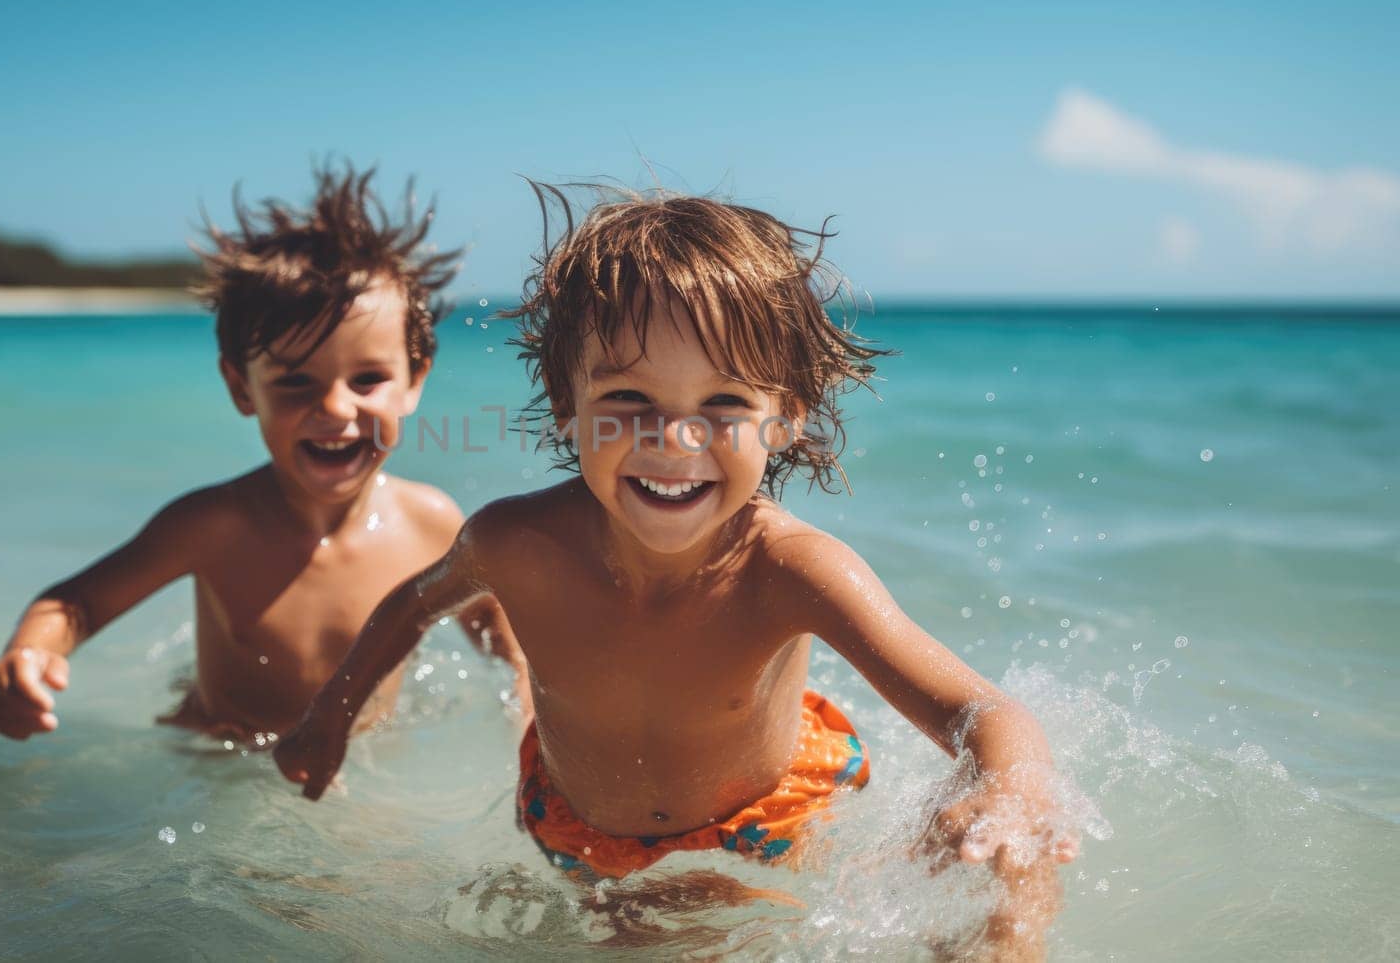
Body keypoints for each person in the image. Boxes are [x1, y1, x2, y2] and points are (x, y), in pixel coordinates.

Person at [274, 186, 1074, 955]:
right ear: (567, 402)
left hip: (763, 827)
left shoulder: (793, 569)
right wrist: (329, 716)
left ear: (786, 415)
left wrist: (1017, 786)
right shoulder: (515, 543)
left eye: (723, 403)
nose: (674, 439)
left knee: (1009, 856)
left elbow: (982, 709)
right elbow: (412, 605)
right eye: (629, 395)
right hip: (572, 827)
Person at [0, 164, 513, 744]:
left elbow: (497, 631)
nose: (335, 410)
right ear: (242, 389)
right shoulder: (214, 527)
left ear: (414, 381)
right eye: (294, 384)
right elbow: (77, 604)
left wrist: (531, 712)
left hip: (357, 756)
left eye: (367, 380)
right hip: (223, 752)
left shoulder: (430, 524)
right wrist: (29, 652)